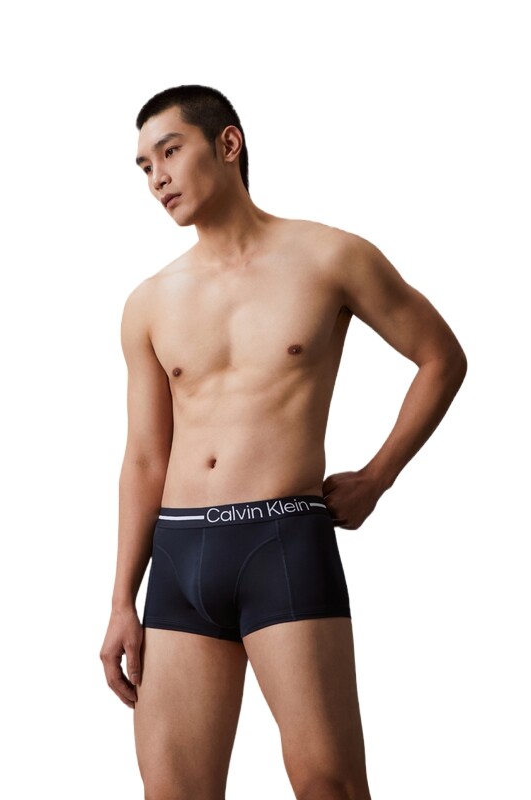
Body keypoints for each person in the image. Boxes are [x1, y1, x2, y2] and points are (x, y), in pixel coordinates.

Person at [100, 84, 467, 799]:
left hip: (282, 542)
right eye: (144, 166)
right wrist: (121, 600)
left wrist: (378, 476)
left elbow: (440, 358)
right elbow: (144, 458)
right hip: (179, 556)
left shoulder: (330, 257)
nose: (157, 179)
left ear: (227, 144)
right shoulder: (148, 302)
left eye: (169, 152)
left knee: (329, 785)